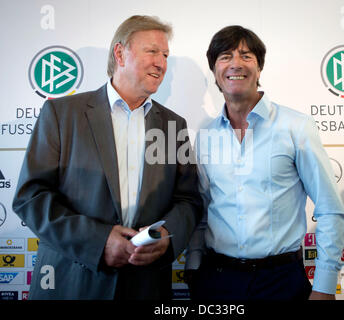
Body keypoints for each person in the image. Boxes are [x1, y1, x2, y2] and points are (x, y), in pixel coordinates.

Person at [12, 15, 202, 300]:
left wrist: (167, 237)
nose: (161, 63)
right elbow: (31, 197)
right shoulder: (62, 114)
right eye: (151, 51)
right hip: (72, 284)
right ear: (120, 53)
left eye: (165, 55)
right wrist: (98, 242)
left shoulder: (174, 125)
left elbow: (188, 200)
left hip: (145, 286)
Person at [185, 25, 344, 300]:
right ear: (215, 71)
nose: (236, 63)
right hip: (216, 279)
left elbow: (330, 210)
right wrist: (194, 269)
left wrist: (325, 285)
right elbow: (203, 210)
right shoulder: (206, 136)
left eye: (246, 56)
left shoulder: (296, 127)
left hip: (281, 281)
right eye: (225, 56)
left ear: (259, 69)